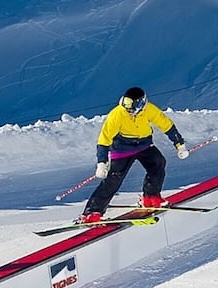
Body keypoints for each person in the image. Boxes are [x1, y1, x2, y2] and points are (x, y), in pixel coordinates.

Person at [80, 87, 188, 223]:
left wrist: (180, 144)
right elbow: (104, 139)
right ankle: (92, 212)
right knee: (114, 179)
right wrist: (102, 163)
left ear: (142, 104)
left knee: (158, 163)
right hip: (122, 148)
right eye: (127, 108)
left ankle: (151, 197)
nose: (129, 112)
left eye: (132, 109)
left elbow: (166, 125)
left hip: (144, 145)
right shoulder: (117, 114)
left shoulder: (149, 109)